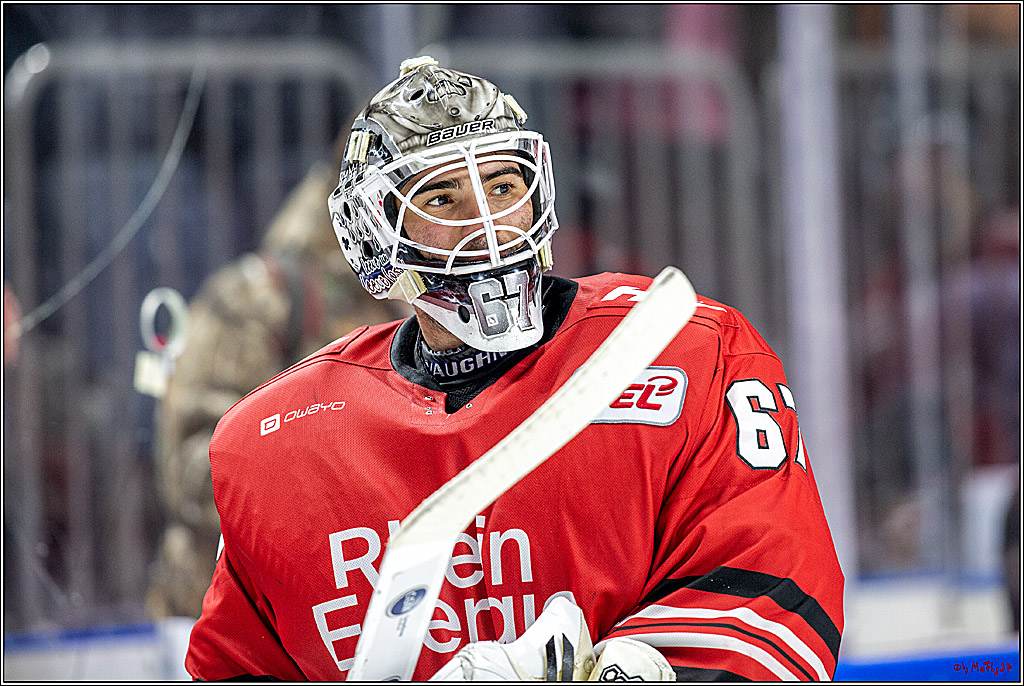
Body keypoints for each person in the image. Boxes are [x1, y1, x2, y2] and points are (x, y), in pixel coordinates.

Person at [185, 56, 844, 681]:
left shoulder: (684, 348)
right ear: (369, 231)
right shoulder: (277, 444)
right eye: (441, 199)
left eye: (504, 185)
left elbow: (776, 590)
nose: (490, 224)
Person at [147, 143, 407, 620]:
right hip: (237, 620)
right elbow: (186, 472)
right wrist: (322, 476)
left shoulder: (452, 305)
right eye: (434, 192)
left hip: (379, 612)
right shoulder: (261, 298)